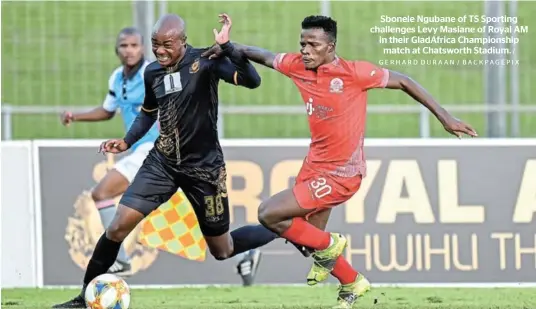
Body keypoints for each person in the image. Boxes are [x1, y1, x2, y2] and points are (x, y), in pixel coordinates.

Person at [202, 15, 478, 309]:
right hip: (314, 167)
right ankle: (352, 283)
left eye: (313, 45)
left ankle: (332, 247)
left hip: (341, 174)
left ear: (330, 47)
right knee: (308, 240)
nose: (305, 50)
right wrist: (229, 46)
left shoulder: (355, 73)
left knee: (269, 213)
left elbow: (404, 81)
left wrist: (446, 117)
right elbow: (265, 56)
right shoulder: (298, 66)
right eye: (302, 44)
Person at [52, 15, 276, 308]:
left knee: (222, 250)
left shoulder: (206, 61)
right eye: (155, 44)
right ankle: (85, 297)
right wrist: (126, 142)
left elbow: (252, 80)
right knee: (118, 227)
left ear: (183, 41)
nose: (160, 51)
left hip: (205, 171)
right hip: (163, 163)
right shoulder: (152, 72)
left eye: (167, 45)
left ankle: (282, 228)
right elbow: (147, 112)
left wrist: (229, 48)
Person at [60, 27, 157, 276]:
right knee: (196, 208)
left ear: (143, 49)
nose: (129, 50)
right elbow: (107, 110)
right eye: (124, 46)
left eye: (134, 45)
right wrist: (76, 116)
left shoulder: (151, 73)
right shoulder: (117, 78)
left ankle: (121, 259)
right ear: (117, 50)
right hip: (142, 152)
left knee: (102, 192)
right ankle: (243, 252)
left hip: (155, 149)